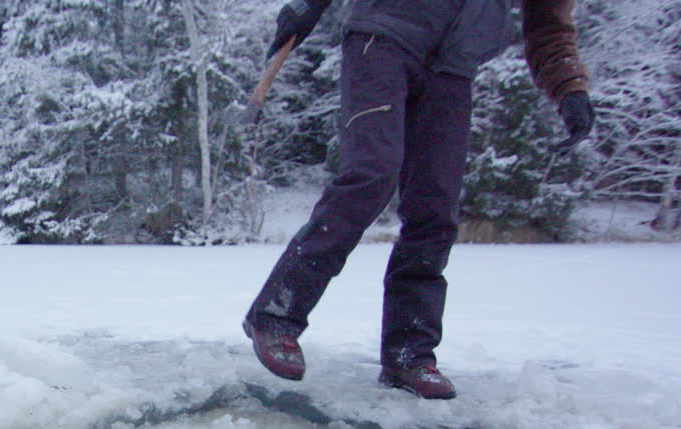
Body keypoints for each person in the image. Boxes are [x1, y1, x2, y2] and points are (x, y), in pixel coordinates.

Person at [244, 0, 594, 399]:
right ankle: (277, 313)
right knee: (372, 174)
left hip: (454, 65)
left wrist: (570, 87)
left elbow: (549, 24)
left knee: (436, 207)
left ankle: (408, 354)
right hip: (383, 35)